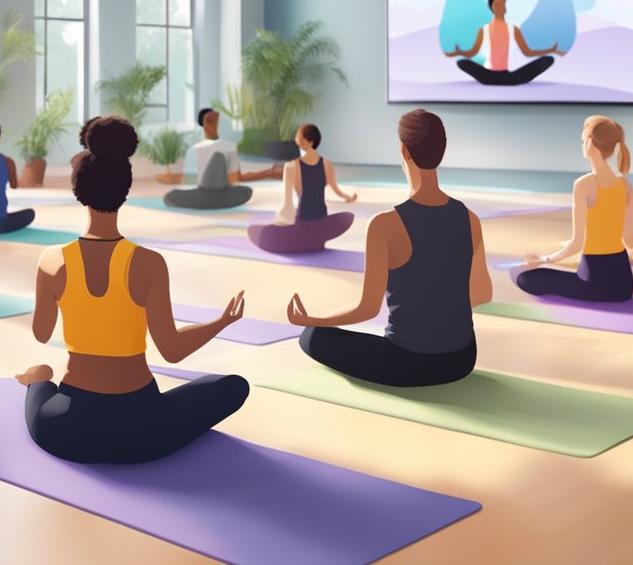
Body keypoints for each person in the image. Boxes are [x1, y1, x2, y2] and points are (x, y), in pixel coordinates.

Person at [15, 116, 250, 464]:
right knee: (233, 386)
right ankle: (41, 380)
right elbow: (171, 351)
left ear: (79, 191)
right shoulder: (148, 263)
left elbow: (40, 332)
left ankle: (38, 378)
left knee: (44, 389)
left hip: (69, 428)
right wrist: (220, 323)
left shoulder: (51, 261)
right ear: (124, 191)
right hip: (143, 429)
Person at [288, 110, 492, 387]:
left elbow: (367, 309)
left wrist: (314, 318)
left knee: (312, 336)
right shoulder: (470, 218)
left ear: (404, 150)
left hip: (409, 363)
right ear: (441, 151)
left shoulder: (385, 224)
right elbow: (482, 293)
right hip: (463, 359)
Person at [515, 116, 633, 302]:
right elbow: (629, 238)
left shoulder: (583, 184)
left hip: (593, 283)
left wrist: (544, 259)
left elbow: (577, 244)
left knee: (522, 277)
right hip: (624, 286)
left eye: (583, 140)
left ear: (590, 143)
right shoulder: (625, 185)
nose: (582, 145)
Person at [248, 124, 358, 253]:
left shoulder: (291, 167)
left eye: (299, 134)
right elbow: (336, 189)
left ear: (309, 140)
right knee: (345, 217)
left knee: (260, 231)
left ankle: (297, 239)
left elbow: (287, 204)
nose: (296, 137)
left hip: (303, 225)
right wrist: (348, 198)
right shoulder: (326, 164)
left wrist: (278, 223)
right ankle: (311, 240)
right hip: (321, 226)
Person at [445, 0, 566, 86]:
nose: (500, 8)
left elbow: (527, 52)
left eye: (502, 4)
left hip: (510, 76)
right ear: (491, 7)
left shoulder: (513, 28)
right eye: (496, 5)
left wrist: (550, 50)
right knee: (462, 62)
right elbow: (473, 52)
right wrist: (458, 52)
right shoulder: (484, 29)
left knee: (548, 60)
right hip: (488, 76)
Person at [162, 108, 272, 210]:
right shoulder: (229, 147)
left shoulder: (193, 150)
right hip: (222, 193)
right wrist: (266, 173)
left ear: (203, 125)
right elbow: (235, 179)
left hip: (202, 195)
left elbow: (188, 183)